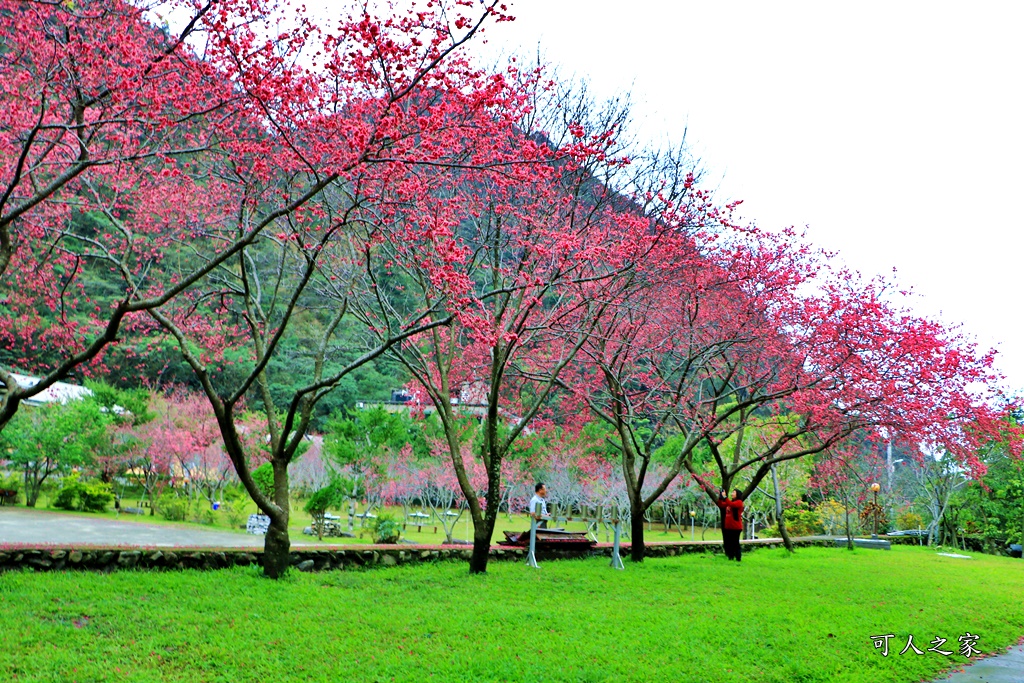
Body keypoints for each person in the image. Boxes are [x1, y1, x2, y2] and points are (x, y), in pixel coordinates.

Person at [717, 489, 745, 561]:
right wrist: (720, 498)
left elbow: (732, 505)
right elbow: (721, 505)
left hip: (736, 527)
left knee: (735, 542)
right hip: (728, 527)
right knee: (729, 543)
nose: (732, 494)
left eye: (733, 492)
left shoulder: (739, 502)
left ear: (737, 494)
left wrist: (725, 497)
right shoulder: (729, 502)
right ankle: (731, 557)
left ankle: (738, 558)